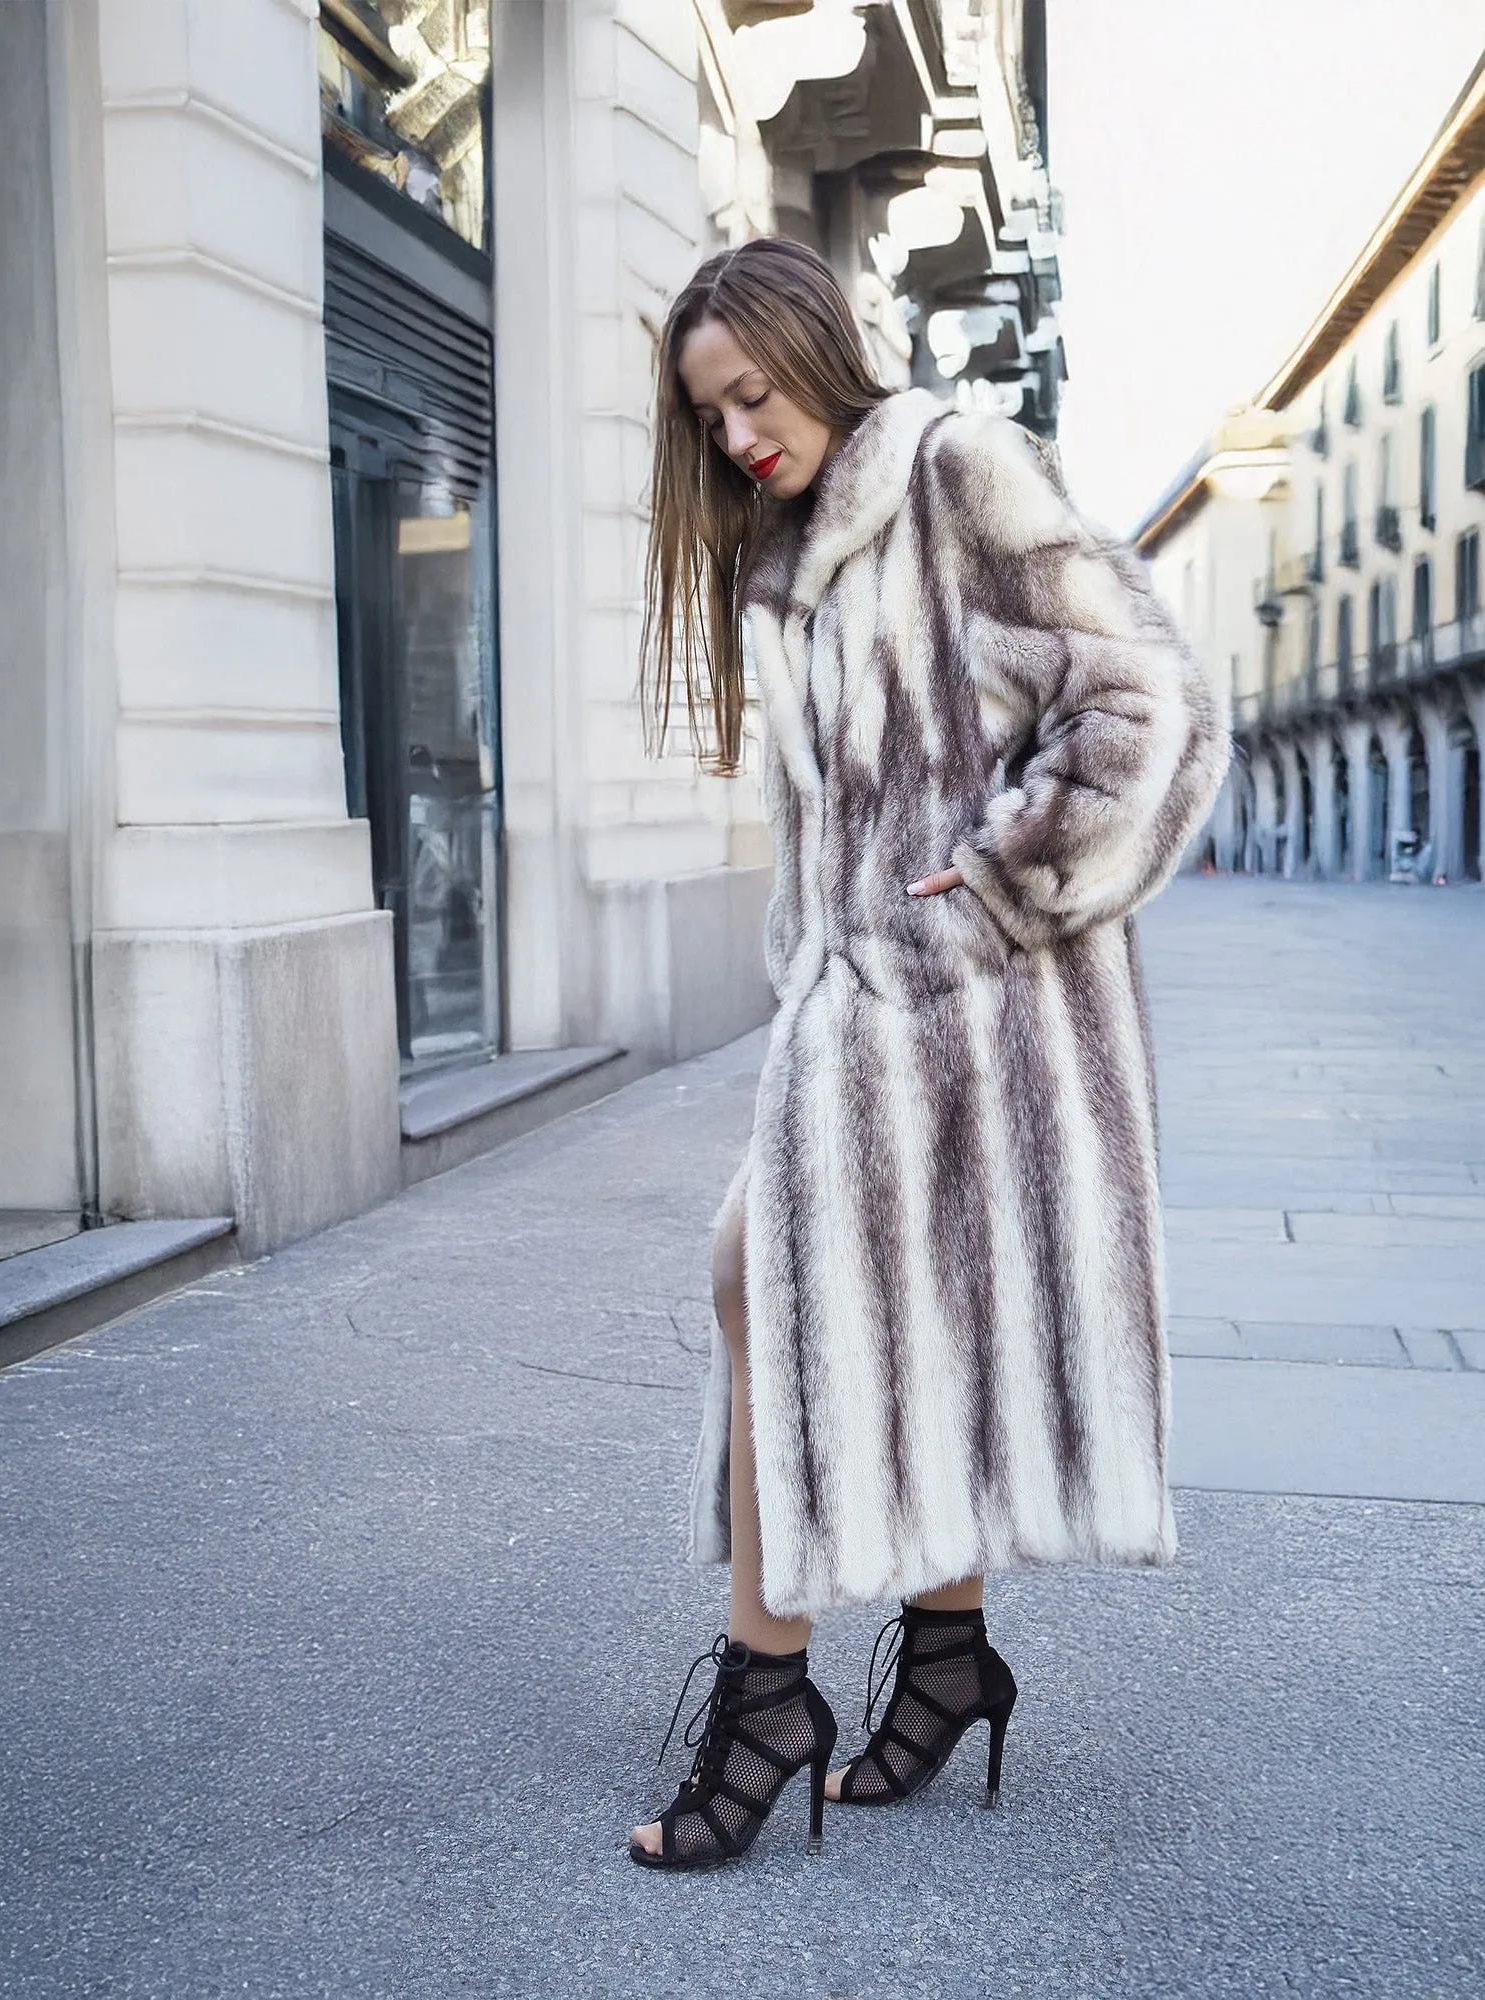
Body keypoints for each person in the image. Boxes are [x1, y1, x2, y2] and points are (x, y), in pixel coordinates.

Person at [629, 236, 1228, 1872]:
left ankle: (768, 1694)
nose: (742, 432)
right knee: (848, 1306)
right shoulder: (789, 554)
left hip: (971, 1010)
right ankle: (948, 1660)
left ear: (822, 352)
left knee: (773, 1284)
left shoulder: (959, 468)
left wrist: (1003, 875)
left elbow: (1148, 702)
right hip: (860, 1016)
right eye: (711, 414)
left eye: (756, 391)